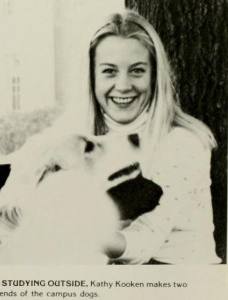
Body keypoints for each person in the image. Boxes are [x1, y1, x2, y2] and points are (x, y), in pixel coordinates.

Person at [69, 9, 221, 264]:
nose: (123, 85)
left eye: (137, 71)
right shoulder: (84, 141)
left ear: (154, 76)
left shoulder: (184, 142)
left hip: (183, 282)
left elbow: (145, 238)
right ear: (92, 77)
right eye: (109, 71)